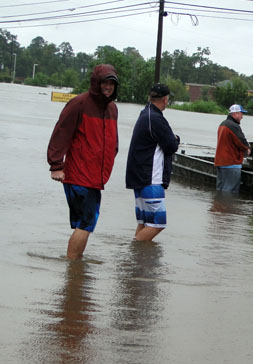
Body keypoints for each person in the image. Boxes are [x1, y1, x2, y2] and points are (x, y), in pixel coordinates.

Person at [47, 64, 119, 260]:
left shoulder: (112, 108)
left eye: (112, 83)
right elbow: (60, 133)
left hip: (96, 177)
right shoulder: (79, 104)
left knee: (84, 223)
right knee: (86, 223)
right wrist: (56, 165)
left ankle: (74, 266)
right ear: (95, 83)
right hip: (79, 175)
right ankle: (73, 270)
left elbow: (113, 141)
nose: (108, 87)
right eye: (105, 82)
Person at [125, 83, 180, 242]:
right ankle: (133, 253)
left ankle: (138, 262)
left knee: (144, 223)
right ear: (164, 99)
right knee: (158, 224)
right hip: (151, 179)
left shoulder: (145, 113)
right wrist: (176, 139)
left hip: (139, 178)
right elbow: (171, 145)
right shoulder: (156, 119)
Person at [214, 104, 250, 193]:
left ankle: (218, 205)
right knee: (230, 191)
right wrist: (247, 148)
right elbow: (241, 141)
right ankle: (227, 206)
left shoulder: (223, 124)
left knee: (220, 190)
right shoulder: (233, 126)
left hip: (220, 162)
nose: (242, 117)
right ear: (235, 114)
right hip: (231, 163)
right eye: (241, 114)